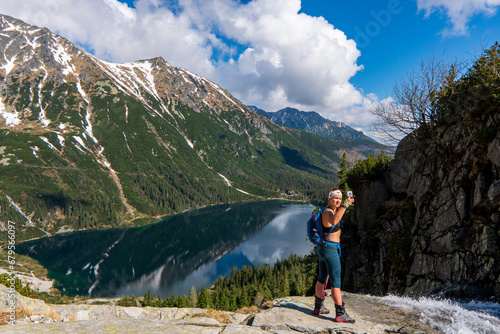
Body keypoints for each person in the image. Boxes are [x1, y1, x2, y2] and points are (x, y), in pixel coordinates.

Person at [313, 187, 355, 323]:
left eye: (340, 198)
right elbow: (334, 221)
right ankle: (340, 313)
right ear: (329, 198)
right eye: (335, 198)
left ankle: (318, 307)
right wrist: (345, 205)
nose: (337, 200)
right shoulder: (327, 212)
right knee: (336, 281)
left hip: (324, 248)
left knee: (322, 277)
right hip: (330, 250)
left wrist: (342, 207)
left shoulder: (329, 211)